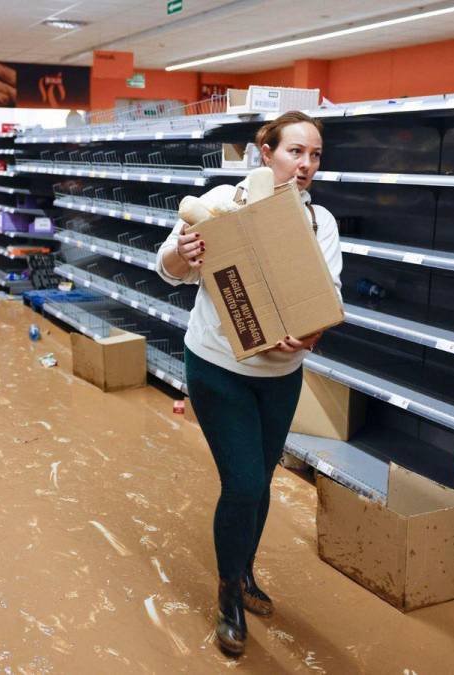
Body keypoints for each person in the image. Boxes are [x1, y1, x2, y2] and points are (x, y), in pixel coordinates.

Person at [155, 111, 343, 656]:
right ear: (266, 151)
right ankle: (229, 593)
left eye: (314, 155)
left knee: (259, 481)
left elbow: (326, 296)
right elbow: (167, 267)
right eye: (294, 152)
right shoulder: (219, 203)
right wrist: (182, 253)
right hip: (218, 367)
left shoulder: (318, 222)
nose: (305, 164)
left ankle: (245, 567)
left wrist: (308, 336)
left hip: (280, 376)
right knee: (242, 484)